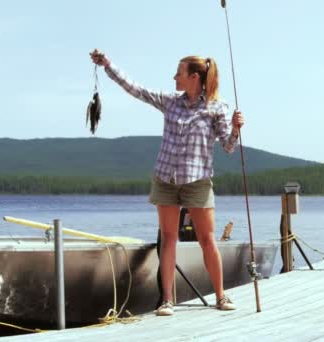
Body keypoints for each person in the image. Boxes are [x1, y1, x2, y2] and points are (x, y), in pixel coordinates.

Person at [90, 49, 243, 316]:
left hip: (198, 181)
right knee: (169, 239)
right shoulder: (170, 101)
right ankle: (167, 301)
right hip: (165, 179)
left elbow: (229, 148)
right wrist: (108, 65)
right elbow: (135, 89)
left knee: (207, 239)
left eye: (179, 73)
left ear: (194, 77)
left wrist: (236, 129)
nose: (174, 77)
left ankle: (221, 297)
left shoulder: (216, 107)